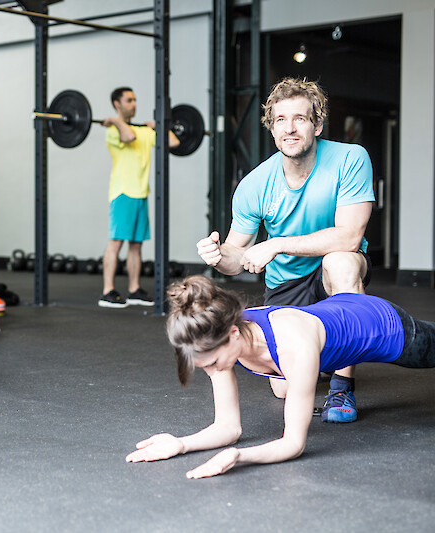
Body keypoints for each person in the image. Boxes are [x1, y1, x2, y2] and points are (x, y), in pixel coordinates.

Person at [126, 275, 435, 478]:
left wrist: (239, 457)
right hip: (336, 310)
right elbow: (228, 427)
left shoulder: (293, 347)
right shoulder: (218, 335)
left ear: (233, 335)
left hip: (383, 326)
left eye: (213, 363)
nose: (212, 371)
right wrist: (180, 444)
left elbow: (293, 443)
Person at [196, 78, 374, 422]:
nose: (290, 128)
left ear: (317, 124)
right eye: (280, 120)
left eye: (300, 119)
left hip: (331, 269)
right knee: (283, 388)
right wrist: (219, 256)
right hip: (286, 284)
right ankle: (324, 347)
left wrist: (276, 244)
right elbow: (239, 255)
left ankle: (341, 388)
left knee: (342, 263)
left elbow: (350, 236)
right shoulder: (254, 185)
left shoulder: (351, 159)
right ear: (272, 128)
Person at [98, 87, 179, 309]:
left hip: (141, 192)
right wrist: (115, 121)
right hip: (122, 192)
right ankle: (107, 291)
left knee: (136, 245)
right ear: (117, 103)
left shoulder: (143, 130)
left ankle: (134, 289)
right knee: (116, 243)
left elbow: (173, 142)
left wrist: (160, 127)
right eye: (129, 100)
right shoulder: (115, 130)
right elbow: (128, 136)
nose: (134, 104)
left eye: (135, 100)